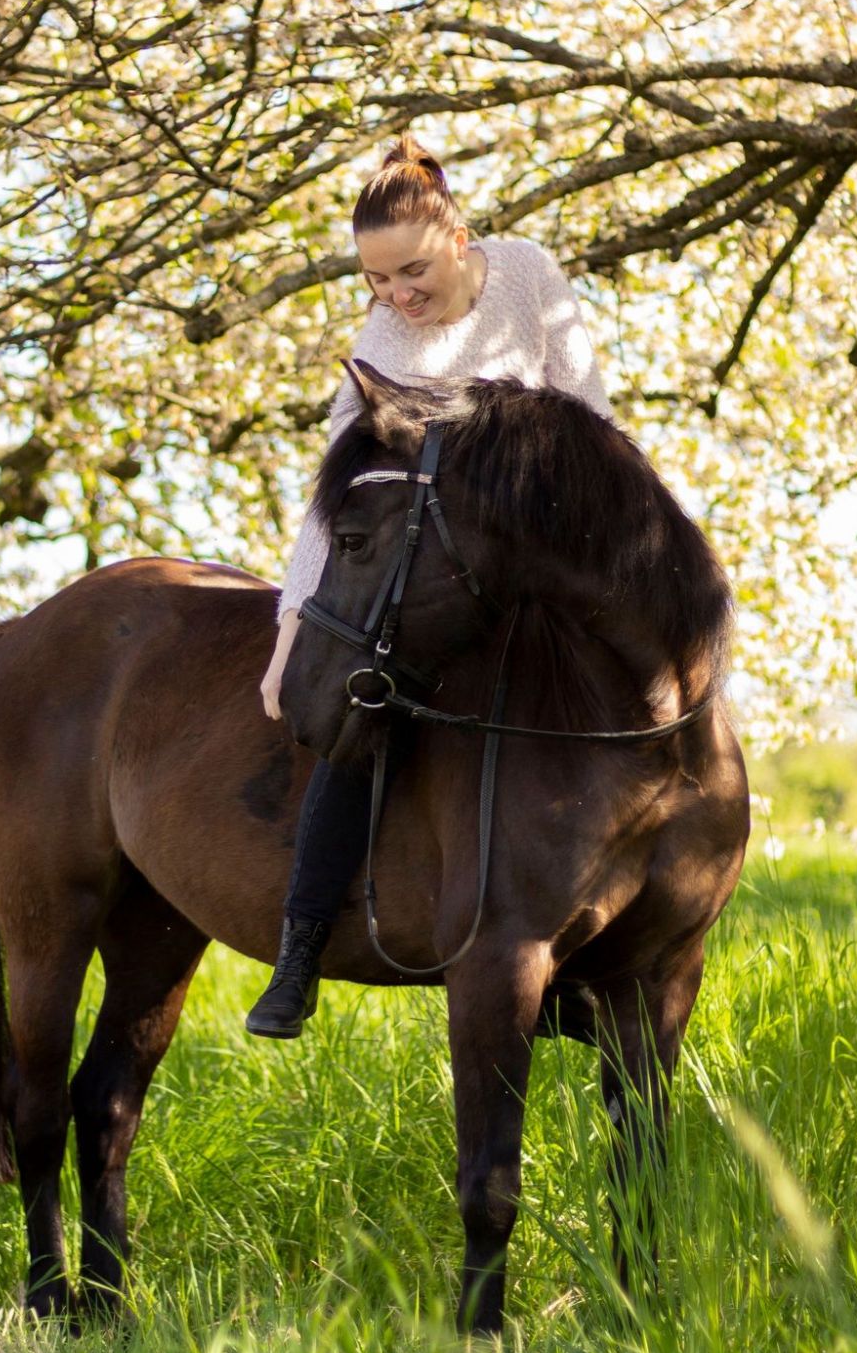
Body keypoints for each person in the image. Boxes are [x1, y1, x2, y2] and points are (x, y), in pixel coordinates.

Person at [245, 131, 611, 1038]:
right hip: (449, 578)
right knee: (358, 718)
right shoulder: (381, 346)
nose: (397, 296)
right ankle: (299, 949)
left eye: (411, 271)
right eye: (375, 280)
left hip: (547, 557)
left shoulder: (527, 273)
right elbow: (333, 508)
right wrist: (290, 629)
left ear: (457, 238)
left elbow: (590, 418)